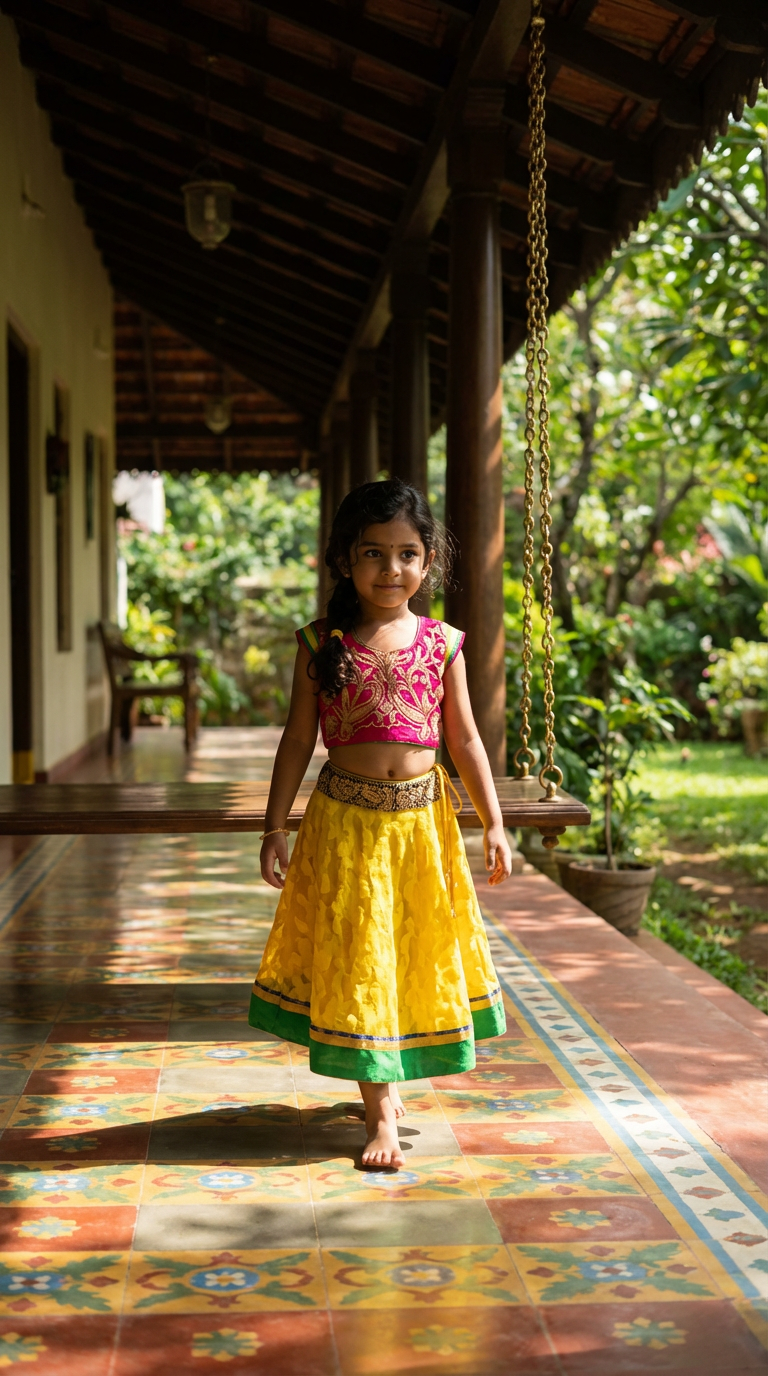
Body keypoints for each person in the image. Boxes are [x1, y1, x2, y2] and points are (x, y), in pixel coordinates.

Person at [250, 478, 512, 1169]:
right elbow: (296, 741)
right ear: (345, 559)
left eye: (406, 554)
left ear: (429, 561)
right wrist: (274, 827)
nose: (390, 569)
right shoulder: (320, 643)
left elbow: (465, 741)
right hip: (346, 830)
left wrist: (494, 822)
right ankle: (380, 1111)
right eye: (373, 553)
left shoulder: (443, 643)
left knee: (409, 953)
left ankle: (388, 1086)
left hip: (422, 829)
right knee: (363, 957)